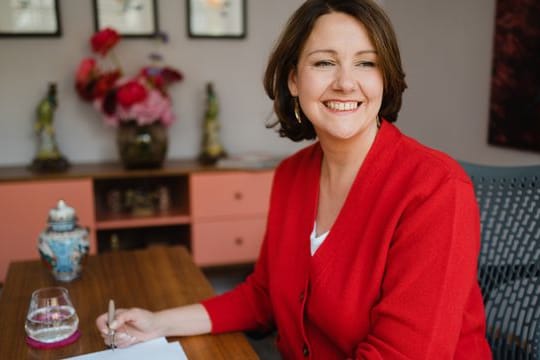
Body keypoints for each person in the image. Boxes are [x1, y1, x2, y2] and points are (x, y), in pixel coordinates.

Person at [96, 0, 492, 358]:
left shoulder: (435, 188)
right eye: (324, 63)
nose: (345, 82)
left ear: (384, 78)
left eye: (366, 63)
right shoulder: (291, 175)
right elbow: (263, 296)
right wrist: (159, 324)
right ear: (293, 80)